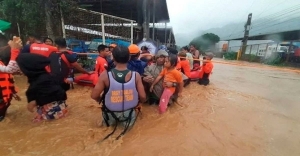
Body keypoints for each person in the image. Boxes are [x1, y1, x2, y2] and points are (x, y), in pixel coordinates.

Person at [91, 46, 146, 140]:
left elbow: (94, 95)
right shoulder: (135, 76)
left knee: (105, 133)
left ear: (113, 58)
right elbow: (143, 96)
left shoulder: (105, 75)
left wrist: (100, 100)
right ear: (129, 58)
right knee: (128, 138)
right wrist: (139, 102)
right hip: (129, 114)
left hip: (110, 114)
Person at [16, 53, 68, 122]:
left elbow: (57, 93)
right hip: (52, 112)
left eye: (19, 66)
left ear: (27, 67)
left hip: (53, 114)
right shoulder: (41, 77)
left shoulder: (42, 79)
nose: (18, 68)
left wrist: (36, 101)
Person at [0, 36, 23, 121]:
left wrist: (12, 92)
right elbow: (11, 69)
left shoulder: (2, 61)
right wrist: (15, 50)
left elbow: (7, 74)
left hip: (3, 99)